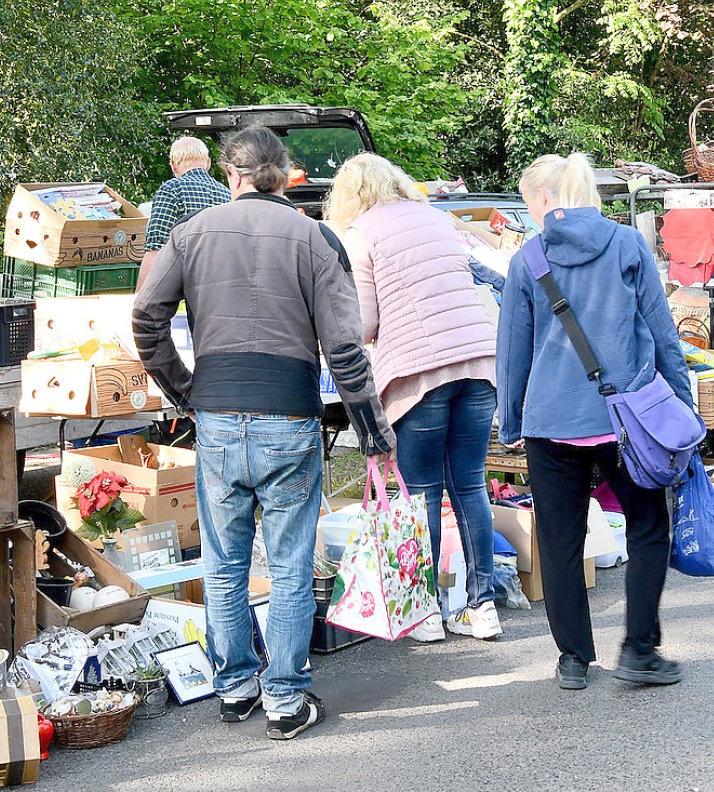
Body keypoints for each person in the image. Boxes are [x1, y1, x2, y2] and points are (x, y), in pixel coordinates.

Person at [132, 125, 395, 741]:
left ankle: (235, 689)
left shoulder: (191, 233)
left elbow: (146, 315)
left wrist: (185, 391)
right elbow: (345, 348)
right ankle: (284, 698)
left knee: (223, 562)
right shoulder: (314, 237)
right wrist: (374, 435)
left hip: (219, 416)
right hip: (289, 418)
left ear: (233, 175)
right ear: (285, 174)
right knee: (289, 563)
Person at [496, 151, 694, 691]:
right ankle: (639, 649)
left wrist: (511, 422)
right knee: (649, 527)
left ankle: (573, 659)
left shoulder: (527, 259)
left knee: (559, 541)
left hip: (551, 422)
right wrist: (683, 407)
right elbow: (662, 333)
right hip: (627, 422)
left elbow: (512, 351)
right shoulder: (628, 244)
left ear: (543, 198)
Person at [325, 154, 500, 641]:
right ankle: (483, 607)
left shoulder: (360, 234)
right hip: (478, 361)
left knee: (421, 492)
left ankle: (426, 612)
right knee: (469, 486)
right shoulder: (439, 218)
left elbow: (362, 323)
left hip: (418, 373)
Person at [141, 136, 230, 278]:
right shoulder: (227, 194)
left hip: (184, 283)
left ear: (173, 165)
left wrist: (140, 296)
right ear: (207, 163)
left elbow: (156, 250)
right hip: (219, 281)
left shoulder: (172, 189)